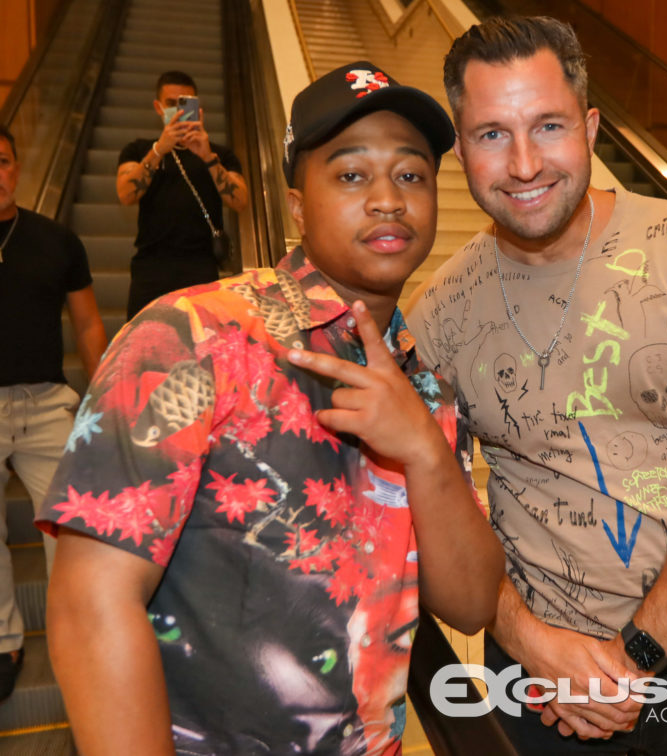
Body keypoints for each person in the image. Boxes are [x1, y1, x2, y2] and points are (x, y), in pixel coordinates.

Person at [38, 62, 504, 755]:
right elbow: (89, 604)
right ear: (296, 205)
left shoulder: (426, 388)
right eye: (352, 174)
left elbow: (470, 603)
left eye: (411, 174)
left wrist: (425, 452)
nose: (388, 199)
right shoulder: (193, 335)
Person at [407, 16, 667, 755]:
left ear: (589, 128)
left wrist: (629, 661)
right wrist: (536, 646)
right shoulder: (438, 316)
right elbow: (436, 519)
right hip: (535, 672)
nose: (524, 164)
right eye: (492, 134)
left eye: (547, 126)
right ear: (459, 150)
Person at [0, 125, 107, 701]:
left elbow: (87, 324)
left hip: (47, 404)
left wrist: (106, 396)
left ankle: (79, 634)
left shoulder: (56, 240)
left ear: (17, 168)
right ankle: (4, 642)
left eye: (2, 161)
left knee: (70, 526)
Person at [116, 70, 249, 320]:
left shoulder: (219, 154)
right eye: (171, 104)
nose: (178, 111)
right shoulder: (138, 150)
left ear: (198, 108)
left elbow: (241, 201)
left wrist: (208, 158)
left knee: (201, 340)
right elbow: (125, 194)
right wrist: (158, 151)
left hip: (201, 268)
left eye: (185, 104)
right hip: (151, 268)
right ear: (158, 107)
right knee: (145, 340)